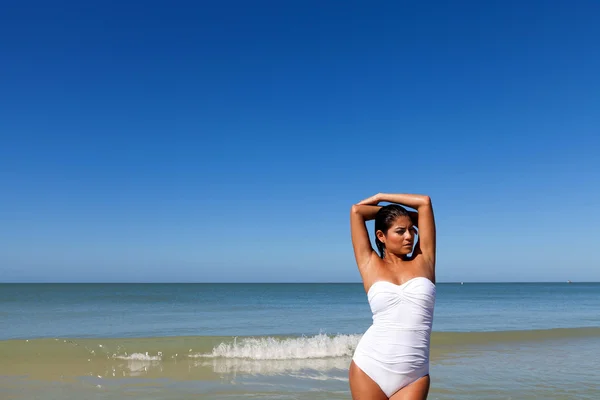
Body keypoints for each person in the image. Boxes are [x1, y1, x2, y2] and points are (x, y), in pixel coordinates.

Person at [349, 193, 437, 400]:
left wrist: (383, 197)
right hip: (370, 366)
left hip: (414, 374)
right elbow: (357, 211)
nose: (409, 236)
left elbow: (424, 203)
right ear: (381, 236)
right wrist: (387, 211)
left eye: (412, 230)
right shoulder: (369, 263)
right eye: (400, 231)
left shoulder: (424, 259)